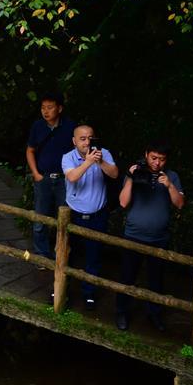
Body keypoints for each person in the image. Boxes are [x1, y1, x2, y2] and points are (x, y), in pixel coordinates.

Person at [115, 141, 185, 331]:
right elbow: (122, 203)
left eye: (161, 159)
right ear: (146, 155)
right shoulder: (136, 174)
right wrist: (130, 177)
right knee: (127, 276)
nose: (157, 163)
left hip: (159, 238)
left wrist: (169, 186)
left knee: (156, 280)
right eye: (153, 158)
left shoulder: (172, 176)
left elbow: (179, 204)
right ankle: (121, 312)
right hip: (134, 235)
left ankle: (154, 314)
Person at [61, 125, 119, 309]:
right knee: (66, 253)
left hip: (97, 215)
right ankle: (62, 289)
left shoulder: (104, 153)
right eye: (83, 139)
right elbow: (72, 177)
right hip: (73, 214)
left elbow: (115, 174)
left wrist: (100, 162)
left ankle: (89, 293)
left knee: (94, 256)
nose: (87, 142)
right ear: (74, 141)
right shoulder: (68, 157)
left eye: (90, 138)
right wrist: (87, 162)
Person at [26, 92, 75, 259]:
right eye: (43, 108)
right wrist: (36, 173)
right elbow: (30, 150)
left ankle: (61, 253)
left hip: (64, 179)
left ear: (59, 108)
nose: (45, 111)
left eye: (50, 107)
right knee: (40, 217)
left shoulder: (70, 127)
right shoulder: (38, 126)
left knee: (64, 218)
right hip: (44, 177)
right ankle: (41, 254)